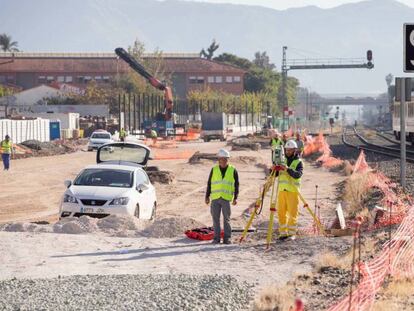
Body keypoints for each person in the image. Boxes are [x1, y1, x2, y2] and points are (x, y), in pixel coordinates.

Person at [205, 149, 239, 244]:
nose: (223, 161)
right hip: (215, 198)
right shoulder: (214, 169)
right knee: (215, 219)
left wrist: (236, 197)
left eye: (225, 159)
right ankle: (216, 238)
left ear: (228, 159)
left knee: (226, 219)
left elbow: (236, 184)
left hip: (226, 198)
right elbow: (209, 183)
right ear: (219, 159)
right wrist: (207, 196)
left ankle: (227, 238)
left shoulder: (233, 170)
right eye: (221, 159)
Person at [277, 140, 303, 241]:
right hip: (282, 191)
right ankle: (283, 233)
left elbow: (297, 175)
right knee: (281, 213)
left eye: (290, 150)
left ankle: (292, 234)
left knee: (293, 214)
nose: (288, 152)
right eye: (286, 150)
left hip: (293, 192)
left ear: (294, 150)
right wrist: (273, 169)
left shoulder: (298, 162)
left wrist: (287, 169)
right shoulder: (282, 161)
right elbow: (275, 175)